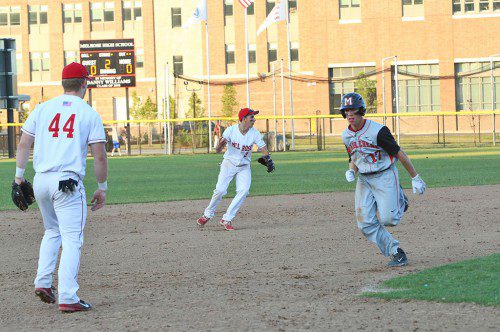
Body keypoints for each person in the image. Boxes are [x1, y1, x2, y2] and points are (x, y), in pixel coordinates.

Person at [14, 62, 108, 312]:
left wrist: (19, 178)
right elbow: (99, 155)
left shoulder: (42, 108)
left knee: (52, 231)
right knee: (72, 239)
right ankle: (68, 296)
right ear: (85, 84)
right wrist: (102, 187)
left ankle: (43, 282)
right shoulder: (88, 112)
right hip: (67, 182)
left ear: (63, 83)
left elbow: (23, 144)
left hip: (41, 180)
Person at [340, 92, 426, 267]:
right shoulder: (346, 135)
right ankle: (395, 252)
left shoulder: (378, 131)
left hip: (385, 175)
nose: (350, 114)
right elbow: (354, 157)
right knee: (365, 224)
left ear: (361, 111)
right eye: (346, 110)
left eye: (353, 110)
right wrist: (351, 171)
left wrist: (415, 177)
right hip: (364, 180)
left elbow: (399, 153)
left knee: (389, 220)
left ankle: (400, 198)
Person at [197, 108, 275, 231]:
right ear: (244, 119)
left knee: (244, 191)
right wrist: (219, 145)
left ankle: (227, 219)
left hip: (244, 167)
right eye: (251, 117)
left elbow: (263, 148)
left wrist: (269, 159)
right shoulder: (231, 130)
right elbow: (217, 150)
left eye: (253, 117)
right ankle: (207, 214)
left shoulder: (254, 133)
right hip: (228, 164)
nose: (254, 120)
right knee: (220, 190)